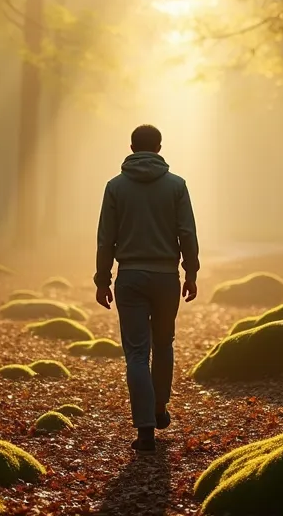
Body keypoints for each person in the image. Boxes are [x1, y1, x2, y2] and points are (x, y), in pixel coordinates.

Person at [93, 124, 200, 454]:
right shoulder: (176, 186)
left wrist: (102, 279)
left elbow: (105, 237)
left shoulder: (115, 188)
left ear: (131, 147)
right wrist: (191, 272)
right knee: (164, 343)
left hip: (130, 278)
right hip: (167, 277)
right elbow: (187, 234)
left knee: (137, 353)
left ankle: (145, 430)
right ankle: (158, 407)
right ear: (159, 147)